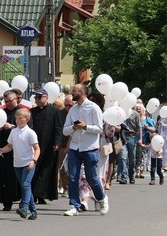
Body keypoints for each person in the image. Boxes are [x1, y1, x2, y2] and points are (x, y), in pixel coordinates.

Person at [62, 83, 109, 216]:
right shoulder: (73, 110)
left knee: (92, 178)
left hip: (90, 148)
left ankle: (102, 198)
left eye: (75, 91)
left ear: (82, 92)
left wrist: (85, 126)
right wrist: (74, 127)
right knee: (72, 177)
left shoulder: (94, 108)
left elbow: (100, 129)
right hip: (75, 147)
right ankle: (74, 205)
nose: (72, 93)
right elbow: (65, 131)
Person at [0, 108, 41, 219]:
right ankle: (33, 211)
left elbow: (37, 149)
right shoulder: (14, 131)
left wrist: (34, 161)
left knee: (26, 184)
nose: (18, 120)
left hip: (28, 163)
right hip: (17, 164)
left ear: (27, 119)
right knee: (26, 187)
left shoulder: (30, 133)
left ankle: (24, 207)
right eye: (16, 118)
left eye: (20, 118)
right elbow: (10, 146)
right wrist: (1, 150)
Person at [30, 87, 63, 205]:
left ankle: (42, 194)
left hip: (49, 146)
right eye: (35, 97)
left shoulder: (55, 111)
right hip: (35, 146)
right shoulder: (32, 112)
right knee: (34, 169)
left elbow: (59, 128)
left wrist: (57, 142)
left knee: (46, 170)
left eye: (39, 97)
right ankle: (33, 194)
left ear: (46, 98)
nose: (37, 99)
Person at [0, 89, 24, 211]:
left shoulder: (22, 112)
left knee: (18, 177)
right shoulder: (2, 112)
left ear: (16, 100)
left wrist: (12, 127)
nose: (7, 103)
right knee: (4, 176)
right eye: (5, 101)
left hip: (18, 150)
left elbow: (27, 128)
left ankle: (22, 201)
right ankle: (6, 201)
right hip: (4, 148)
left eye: (10, 101)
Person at [117, 105, 141, 184]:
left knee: (132, 158)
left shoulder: (135, 114)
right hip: (122, 136)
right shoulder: (120, 113)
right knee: (122, 157)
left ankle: (131, 176)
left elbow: (139, 127)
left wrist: (140, 138)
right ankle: (124, 176)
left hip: (132, 136)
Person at [135, 104, 155, 179]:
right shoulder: (135, 118)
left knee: (143, 156)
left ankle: (141, 172)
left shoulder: (147, 119)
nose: (138, 110)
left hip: (145, 140)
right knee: (137, 156)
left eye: (139, 109)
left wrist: (147, 127)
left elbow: (154, 129)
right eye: (137, 109)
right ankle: (137, 171)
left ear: (143, 110)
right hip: (135, 140)